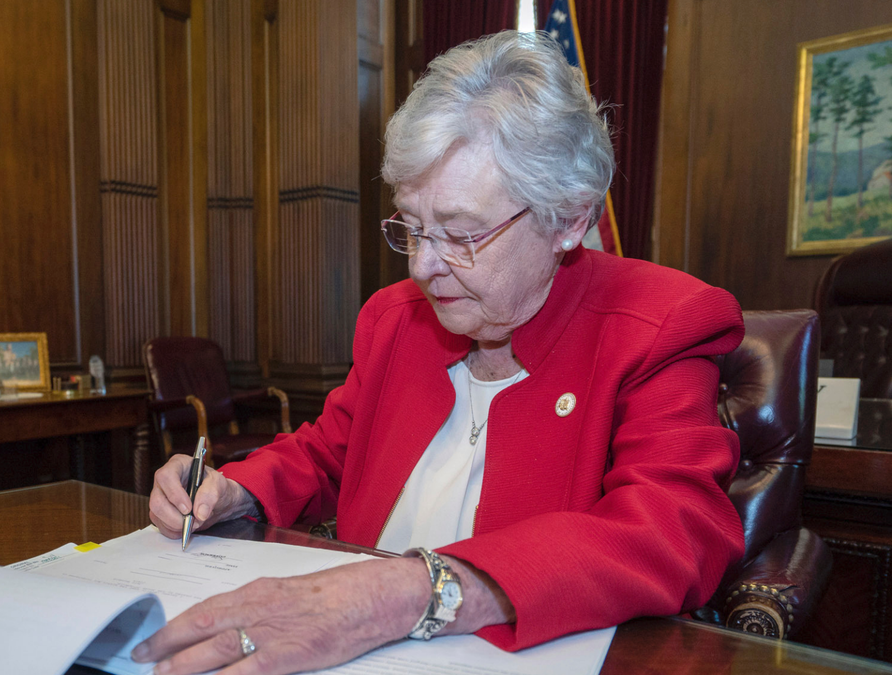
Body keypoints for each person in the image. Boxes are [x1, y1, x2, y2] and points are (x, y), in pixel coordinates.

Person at [132, 30, 745, 675]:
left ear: (567, 218)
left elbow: (671, 531)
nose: (425, 267)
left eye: (460, 234)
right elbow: (328, 451)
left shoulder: (660, 324)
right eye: (412, 227)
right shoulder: (396, 320)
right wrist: (235, 492)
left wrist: (410, 591)